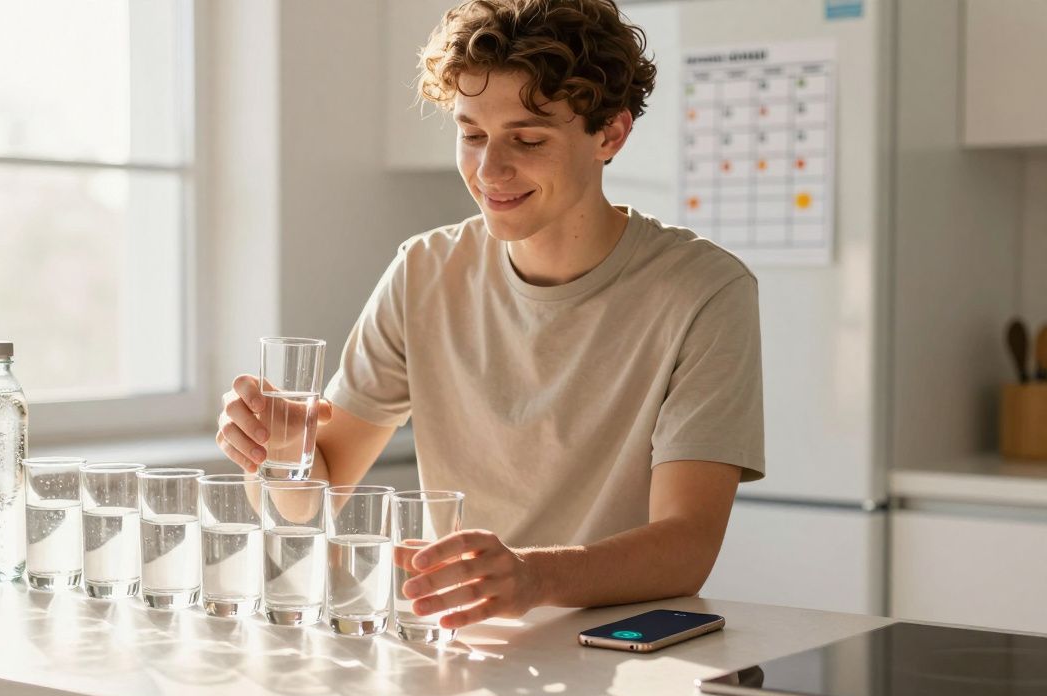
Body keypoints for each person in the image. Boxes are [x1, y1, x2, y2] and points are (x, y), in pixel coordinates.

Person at [216, 0, 764, 629]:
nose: (488, 169)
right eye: (472, 134)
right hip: (462, 642)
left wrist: (531, 576)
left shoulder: (703, 289)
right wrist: (283, 450)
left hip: (623, 648)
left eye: (528, 139)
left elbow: (687, 544)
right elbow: (320, 487)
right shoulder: (425, 270)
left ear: (609, 134)